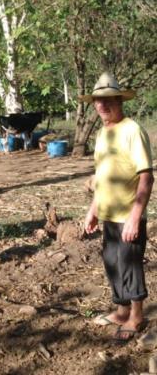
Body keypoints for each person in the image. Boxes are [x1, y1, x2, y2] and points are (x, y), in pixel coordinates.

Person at [82, 72, 154, 342]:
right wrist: (93, 210)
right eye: (98, 101)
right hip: (109, 214)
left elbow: (146, 176)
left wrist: (136, 216)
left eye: (108, 100)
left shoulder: (132, 130)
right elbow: (102, 177)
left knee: (129, 266)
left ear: (119, 100)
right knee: (112, 263)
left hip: (128, 213)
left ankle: (136, 317)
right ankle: (121, 312)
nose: (102, 105)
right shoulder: (102, 133)